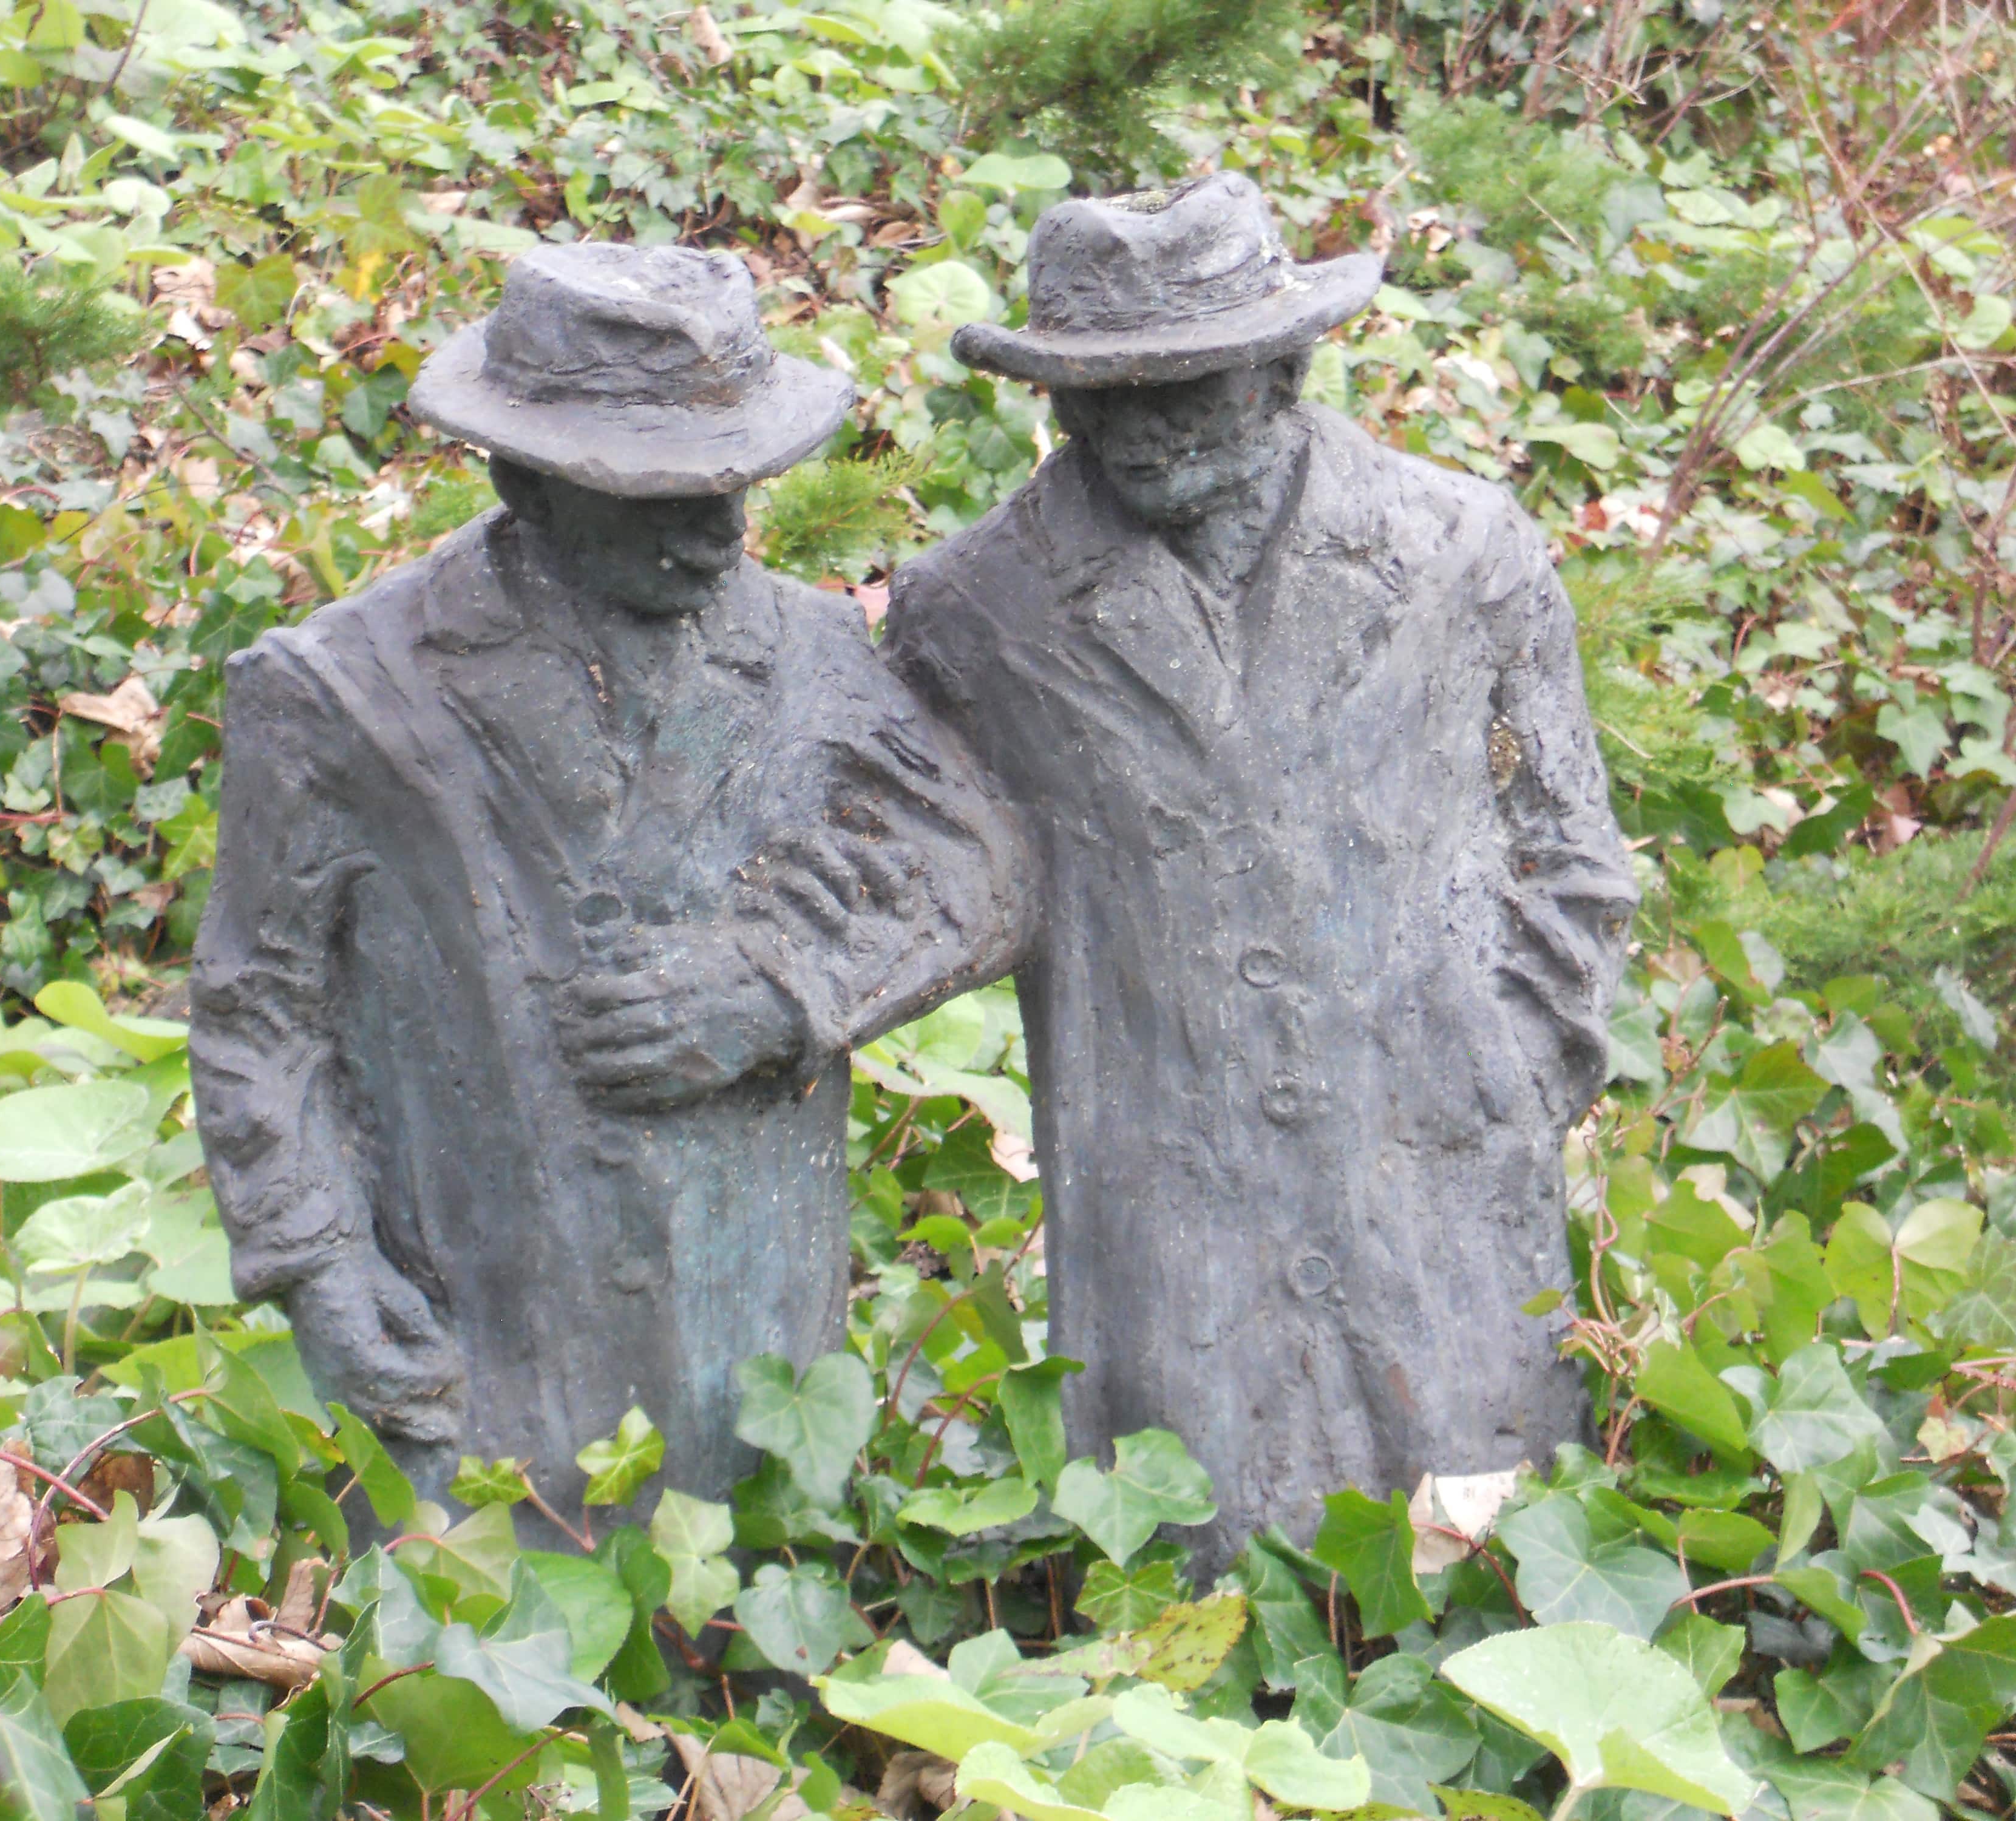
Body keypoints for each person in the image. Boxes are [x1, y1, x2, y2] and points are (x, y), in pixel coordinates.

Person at [191, 243, 1030, 1516]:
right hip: (483, 1357)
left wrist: (778, 987)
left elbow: (985, 865)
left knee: (753, 1680)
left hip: (752, 1372)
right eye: (657, 499)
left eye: (734, 485)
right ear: (523, 480)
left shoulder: (805, 649)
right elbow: (260, 1010)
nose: (717, 534)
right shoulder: (340, 694)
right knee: (483, 1685)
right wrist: (320, 1268)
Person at [886, 174, 1638, 1568]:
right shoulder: (969, 609)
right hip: (1164, 1198)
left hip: (1440, 1184)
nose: (1141, 427)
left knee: (1477, 1575)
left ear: (1285, 366)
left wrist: (1510, 1071)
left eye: (1190, 385)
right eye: (1097, 392)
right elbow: (912, 864)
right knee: (1200, 1583)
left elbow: (1570, 847)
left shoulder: (1457, 549)